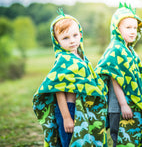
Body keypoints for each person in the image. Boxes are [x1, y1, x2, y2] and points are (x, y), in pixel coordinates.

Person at [33, 9, 108, 147]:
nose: (72, 40)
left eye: (74, 35)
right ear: (57, 40)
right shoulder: (63, 60)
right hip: (68, 109)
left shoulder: (81, 58)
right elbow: (58, 90)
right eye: (65, 38)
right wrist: (67, 117)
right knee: (70, 142)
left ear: (80, 34)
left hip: (81, 108)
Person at [95, 2, 142, 147]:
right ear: (117, 29)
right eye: (128, 27)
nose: (132, 31)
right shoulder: (116, 49)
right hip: (118, 107)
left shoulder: (129, 50)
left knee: (132, 139)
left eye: (135, 28)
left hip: (130, 104)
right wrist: (123, 104)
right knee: (120, 140)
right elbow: (115, 78)